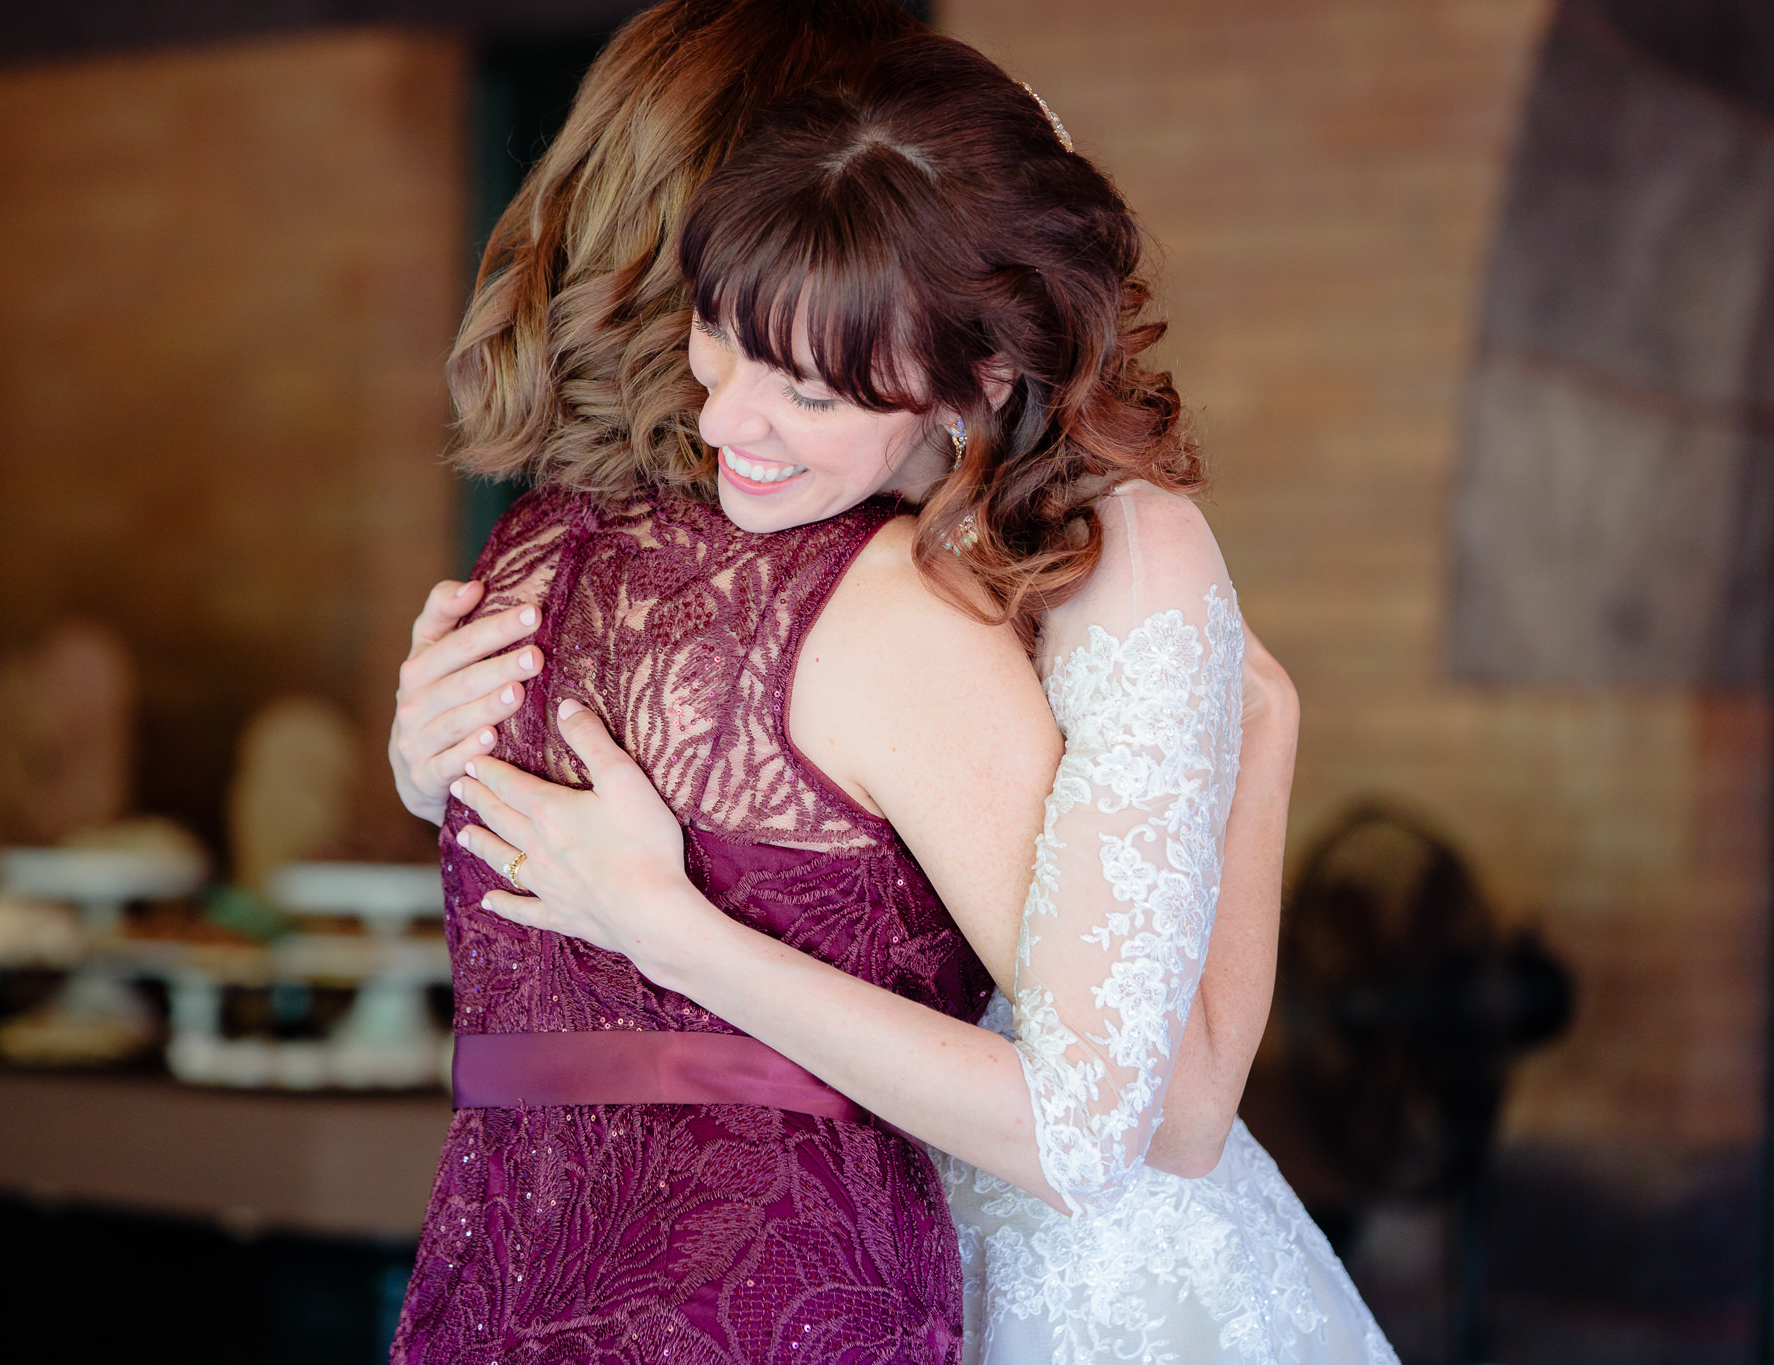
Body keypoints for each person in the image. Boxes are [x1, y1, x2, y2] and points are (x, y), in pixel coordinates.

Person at [441, 33, 1397, 1365]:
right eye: (724, 343)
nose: (729, 426)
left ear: (982, 373)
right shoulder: (844, 481)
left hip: (1068, 1271)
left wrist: (1266, 732)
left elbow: (1155, 1123)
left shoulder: (1129, 561)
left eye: (810, 388)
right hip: (855, 1220)